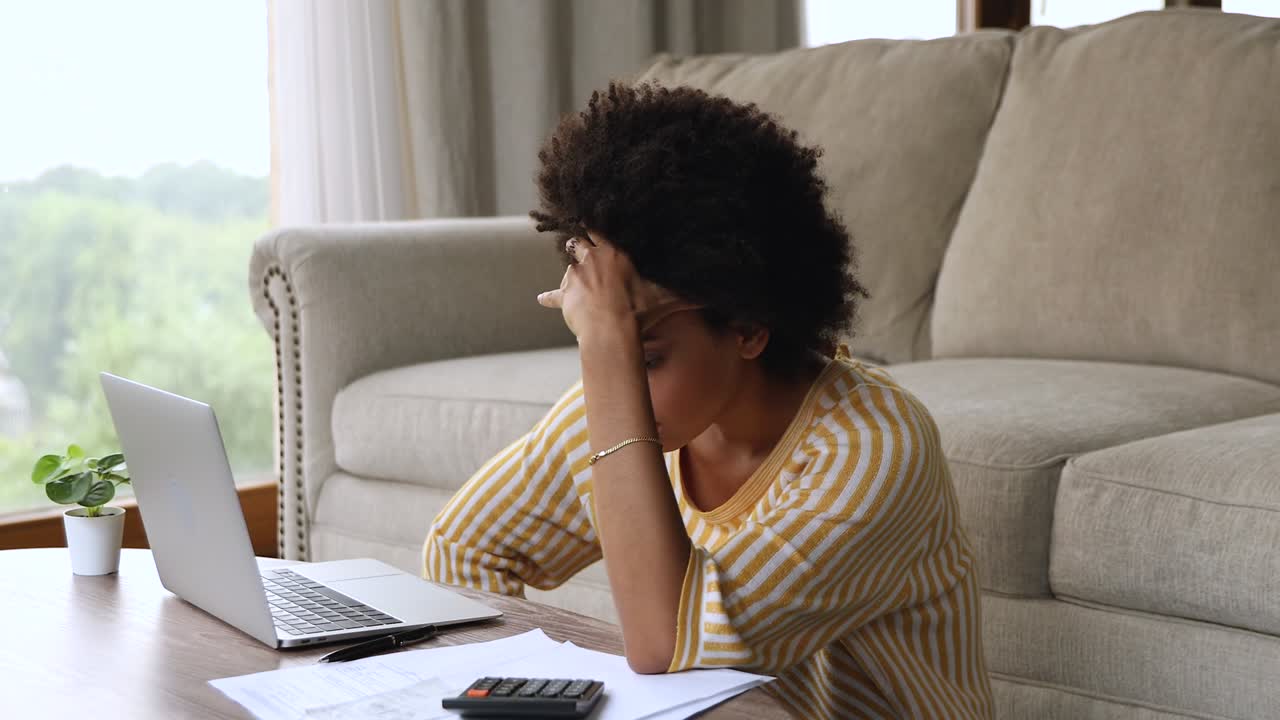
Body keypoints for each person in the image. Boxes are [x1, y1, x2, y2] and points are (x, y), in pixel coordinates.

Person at [424, 81, 993, 719]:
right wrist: (524, 688)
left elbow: (667, 643)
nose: (610, 388)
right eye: (596, 347)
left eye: (643, 356)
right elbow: (467, 548)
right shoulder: (630, 408)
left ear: (748, 326)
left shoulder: (873, 452)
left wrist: (608, 346)